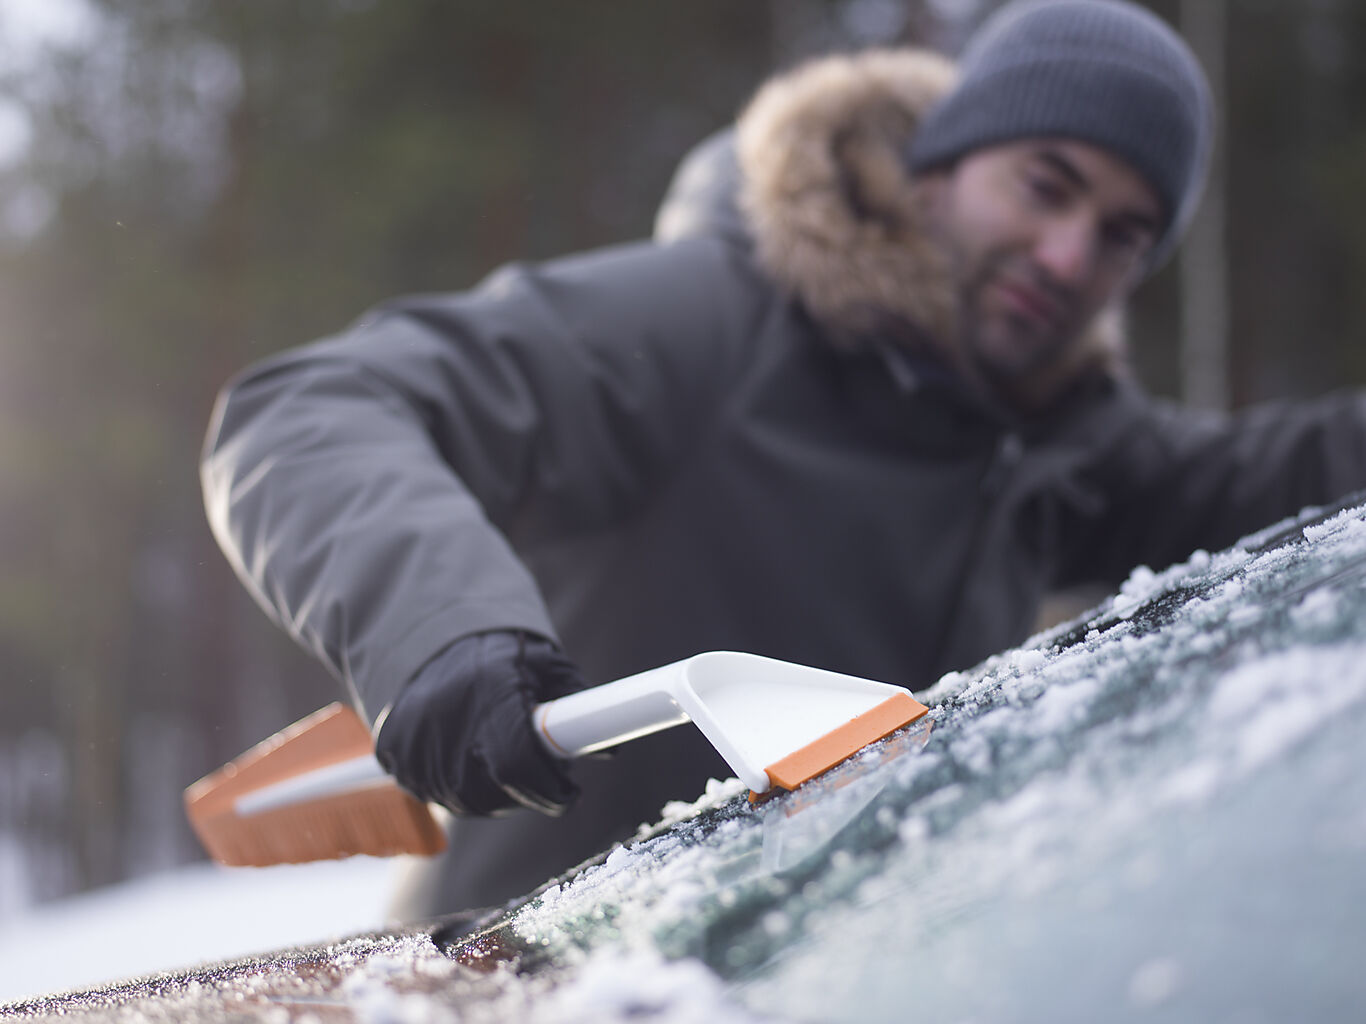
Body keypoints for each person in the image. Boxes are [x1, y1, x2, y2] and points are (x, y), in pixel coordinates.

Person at [201, 0, 1366, 916]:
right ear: (939, 163)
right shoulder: (711, 321)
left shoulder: (1063, 441)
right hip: (529, 969)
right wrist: (443, 633)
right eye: (1045, 185)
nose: (1067, 255)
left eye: (1119, 234)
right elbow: (313, 406)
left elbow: (1276, 471)